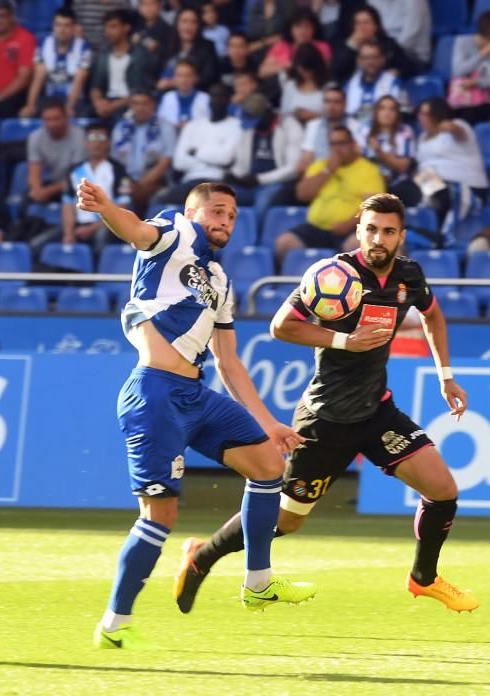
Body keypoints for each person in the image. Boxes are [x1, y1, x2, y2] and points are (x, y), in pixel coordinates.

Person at [180, 193, 478, 615]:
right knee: (287, 522)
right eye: (371, 229)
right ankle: (200, 557)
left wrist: (446, 376)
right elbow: (282, 326)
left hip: (377, 411)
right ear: (359, 231)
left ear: (401, 237)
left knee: (443, 490)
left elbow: (432, 315)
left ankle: (423, 579)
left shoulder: (409, 276)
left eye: (388, 231)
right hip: (325, 420)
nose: (379, 238)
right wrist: (345, 340)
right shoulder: (334, 275)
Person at [75, 178, 317, 650]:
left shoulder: (220, 281)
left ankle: (258, 581)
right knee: (160, 515)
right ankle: (115, 621)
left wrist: (268, 422)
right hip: (155, 394)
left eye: (231, 215)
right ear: (194, 213)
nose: (225, 221)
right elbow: (135, 230)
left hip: (196, 395)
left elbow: (228, 360)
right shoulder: (175, 231)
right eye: (217, 212)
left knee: (270, 466)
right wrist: (106, 207)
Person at [275, 125, 385, 264]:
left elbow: (373, 207)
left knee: (358, 245)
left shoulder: (368, 170)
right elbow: (302, 194)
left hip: (350, 229)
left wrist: (349, 224)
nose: (337, 148)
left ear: (352, 144)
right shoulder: (320, 166)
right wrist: (328, 171)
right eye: (333, 144)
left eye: (342, 143)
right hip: (316, 228)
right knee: (284, 243)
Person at [154, 82, 241, 206]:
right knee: (157, 201)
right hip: (190, 181)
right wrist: (212, 158)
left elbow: (225, 158)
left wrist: (195, 152)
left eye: (221, 97)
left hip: (217, 182)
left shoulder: (236, 125)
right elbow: (179, 162)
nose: (216, 101)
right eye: (213, 97)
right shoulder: (192, 126)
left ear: (229, 100)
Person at [228, 94, 304, 224]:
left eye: (256, 121)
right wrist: (234, 176)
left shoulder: (289, 125)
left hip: (277, 183)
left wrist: (259, 179)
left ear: (267, 114)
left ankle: (253, 241)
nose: (253, 126)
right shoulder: (248, 127)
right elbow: (241, 162)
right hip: (250, 182)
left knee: (263, 202)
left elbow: (293, 168)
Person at [61, 123, 130, 250]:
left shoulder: (119, 170)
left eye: (102, 138)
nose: (97, 143)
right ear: (85, 142)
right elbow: (68, 204)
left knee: (101, 237)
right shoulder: (74, 170)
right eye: (93, 138)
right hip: (78, 226)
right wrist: (69, 233)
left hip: (107, 226)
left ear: (109, 142)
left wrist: (92, 228)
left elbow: (122, 206)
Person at [111, 91, 176, 216]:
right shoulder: (120, 128)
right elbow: (115, 162)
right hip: (126, 181)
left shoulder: (165, 127)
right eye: (136, 104)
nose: (140, 108)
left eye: (145, 104)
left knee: (135, 196)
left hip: (155, 181)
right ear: (130, 106)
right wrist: (129, 183)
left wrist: (140, 184)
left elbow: (165, 162)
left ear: (153, 105)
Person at [20, 7, 91, 118]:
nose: (62, 30)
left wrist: (69, 107)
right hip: (50, 100)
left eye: (66, 25)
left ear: (73, 28)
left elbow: (79, 80)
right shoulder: (43, 45)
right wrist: (30, 105)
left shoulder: (84, 48)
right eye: (58, 25)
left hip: (75, 100)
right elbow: (38, 78)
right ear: (53, 26)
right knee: (27, 114)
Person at [89, 9, 154, 120]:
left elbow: (141, 90)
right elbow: (96, 86)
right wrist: (98, 103)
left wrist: (113, 106)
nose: (108, 31)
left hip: (130, 105)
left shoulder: (140, 55)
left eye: (113, 27)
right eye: (107, 27)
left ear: (126, 28)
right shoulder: (103, 55)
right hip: (106, 103)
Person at [25, 99, 86, 208]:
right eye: (47, 120)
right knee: (26, 199)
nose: (52, 124)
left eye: (56, 119)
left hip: (77, 184)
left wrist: (48, 191)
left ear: (65, 118)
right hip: (52, 183)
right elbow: (34, 169)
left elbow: (78, 176)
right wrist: (36, 190)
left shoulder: (79, 137)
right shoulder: (35, 137)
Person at [449, 11, 490, 126]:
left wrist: (477, 82)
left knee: (468, 117)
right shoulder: (462, 42)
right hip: (461, 97)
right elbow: (458, 70)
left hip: (486, 101)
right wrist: (482, 54)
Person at [331, 5, 414, 84]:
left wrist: (397, 71)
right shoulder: (344, 45)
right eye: (357, 23)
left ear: (376, 26)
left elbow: (410, 68)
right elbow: (336, 72)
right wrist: (352, 45)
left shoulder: (389, 44)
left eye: (366, 22)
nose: (362, 27)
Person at [363, 95, 416, 201]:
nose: (387, 113)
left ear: (397, 113)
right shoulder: (365, 131)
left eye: (392, 109)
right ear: (376, 112)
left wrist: (379, 151)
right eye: (382, 108)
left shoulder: (405, 132)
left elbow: (402, 167)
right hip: (369, 183)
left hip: (397, 186)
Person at [258, 8, 331, 81]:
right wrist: (286, 66)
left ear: (314, 29)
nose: (303, 31)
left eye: (307, 26)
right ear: (290, 28)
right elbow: (262, 72)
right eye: (298, 26)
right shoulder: (281, 46)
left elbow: (325, 72)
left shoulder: (322, 47)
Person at [157, 7, 219, 92]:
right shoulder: (166, 45)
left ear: (198, 26)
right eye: (184, 21)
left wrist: (175, 82)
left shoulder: (207, 47)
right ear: (177, 24)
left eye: (193, 22)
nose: (188, 26)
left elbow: (209, 77)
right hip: (166, 94)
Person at [345, 40, 405, 128]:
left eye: (374, 57)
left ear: (382, 59)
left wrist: (357, 115)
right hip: (352, 135)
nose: (370, 62)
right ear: (359, 61)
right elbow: (345, 113)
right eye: (366, 58)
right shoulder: (350, 84)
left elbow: (394, 113)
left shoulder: (393, 83)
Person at [366, 0, 431, 71]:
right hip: (380, 55)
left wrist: (383, 55)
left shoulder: (415, 2)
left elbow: (409, 38)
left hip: (413, 58)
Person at [279, 43, 329, 126]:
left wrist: (313, 116)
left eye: (309, 71)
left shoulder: (328, 88)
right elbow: (283, 115)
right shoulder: (290, 86)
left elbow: (335, 117)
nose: (305, 74)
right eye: (302, 70)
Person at [157, 60, 211, 132]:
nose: (183, 80)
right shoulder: (167, 98)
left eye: (188, 76)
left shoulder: (205, 99)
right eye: (179, 75)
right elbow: (162, 124)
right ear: (174, 78)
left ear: (195, 78)